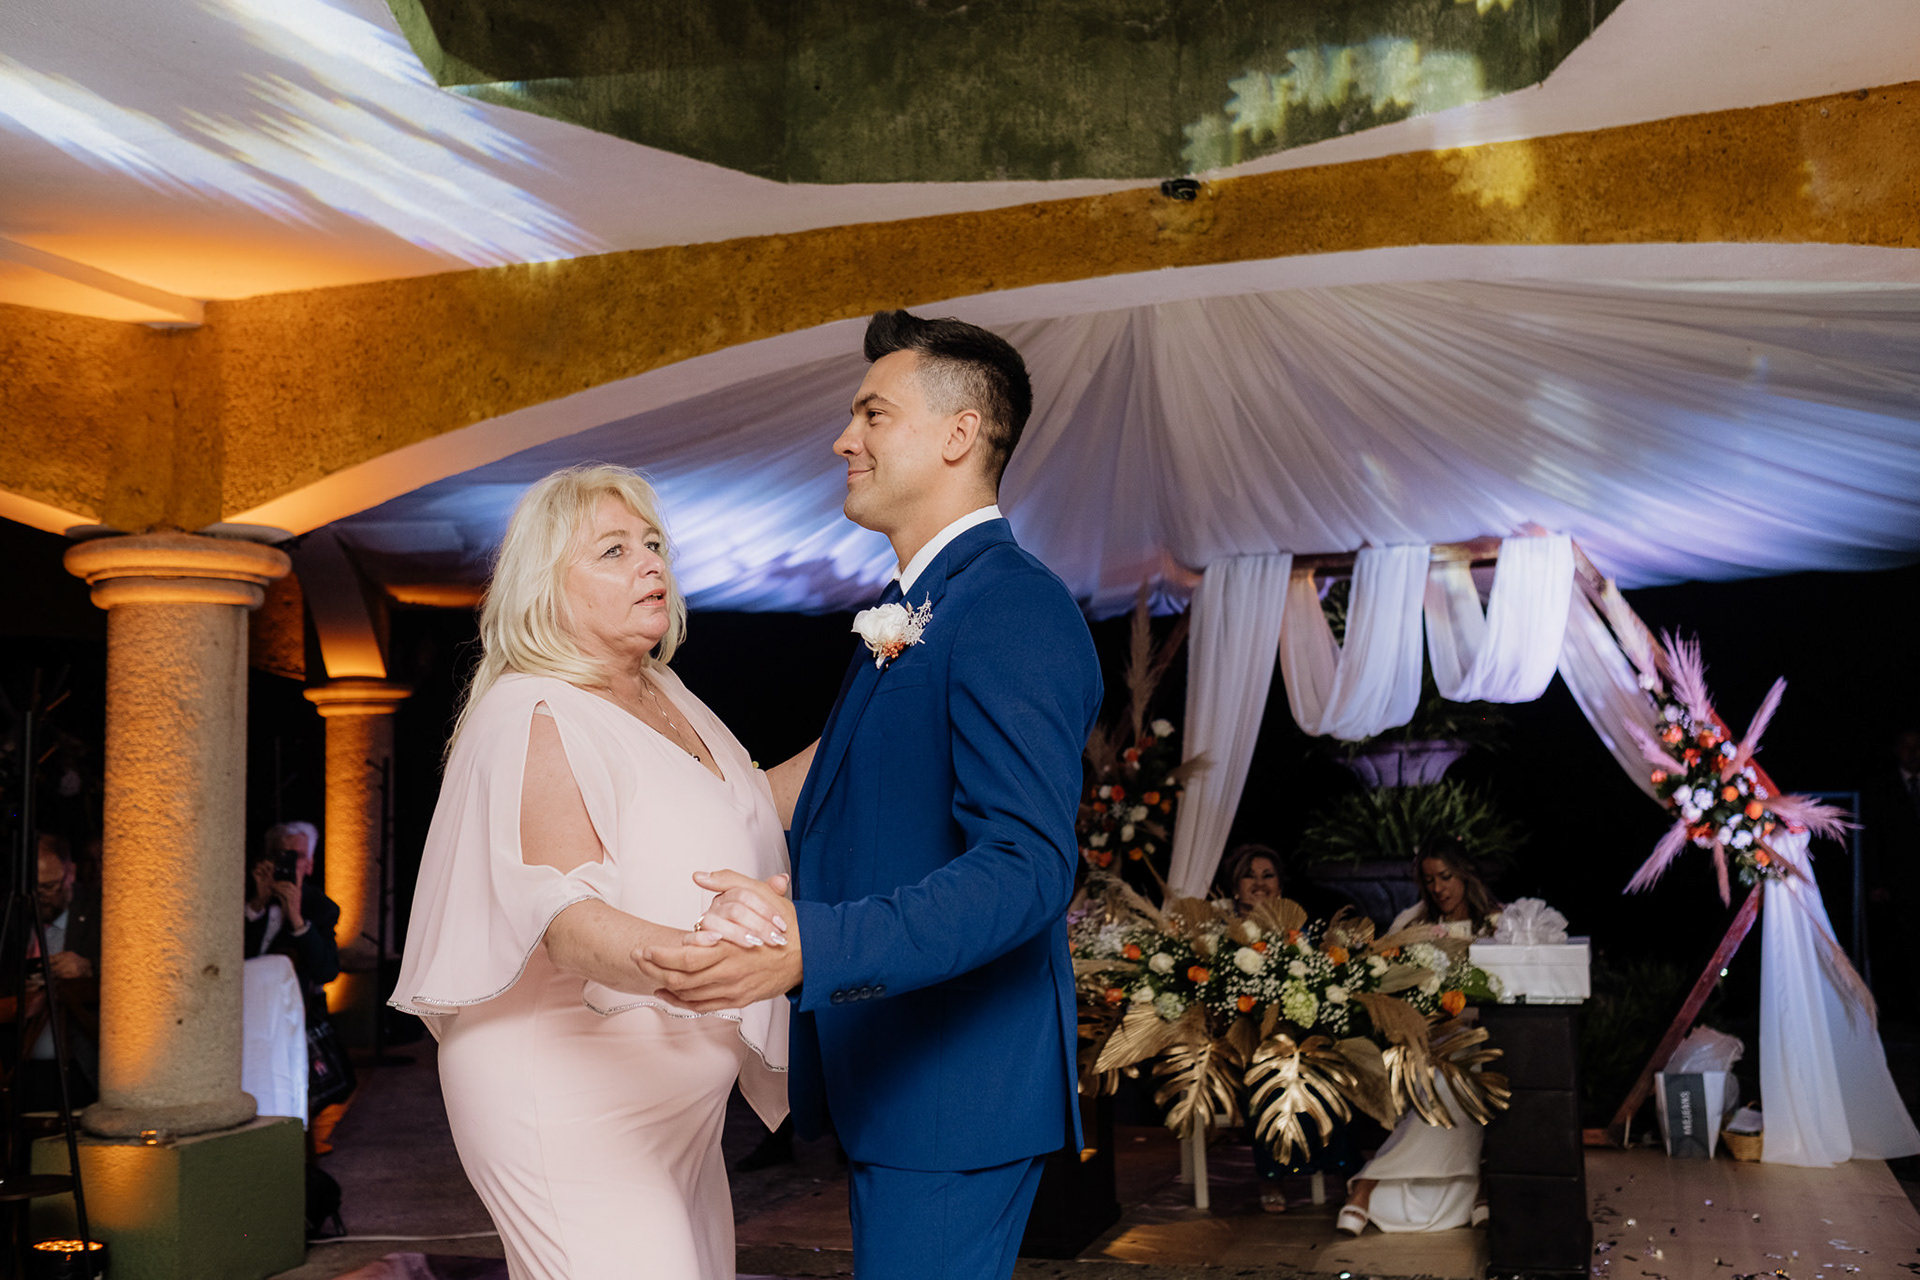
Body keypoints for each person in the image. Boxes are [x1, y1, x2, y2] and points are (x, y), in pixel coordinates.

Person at [640, 310, 1104, 1280]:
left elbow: (1026, 868)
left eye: (873, 413)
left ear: (959, 433)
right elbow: (852, 803)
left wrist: (820, 945)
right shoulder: (920, 607)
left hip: (953, 1086)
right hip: (903, 1078)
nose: (844, 439)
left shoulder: (1011, 604)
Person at [389, 464, 799, 1280]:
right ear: (546, 588)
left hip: (675, 1106)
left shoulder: (665, 692)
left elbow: (754, 805)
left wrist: (886, 713)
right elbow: (563, 917)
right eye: (614, 551)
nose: (650, 563)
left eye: (653, 544)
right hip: (570, 1097)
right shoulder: (535, 709)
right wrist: (686, 957)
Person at [1339, 838, 1502, 1236]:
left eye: (1445, 877)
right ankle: (1378, 1182)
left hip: (1487, 1033)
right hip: (1428, 1037)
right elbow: (1389, 985)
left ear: (1464, 873)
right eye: (1429, 880)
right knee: (1447, 1072)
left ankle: (1369, 1182)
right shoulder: (1413, 925)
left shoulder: (1496, 923)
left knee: (1464, 1068)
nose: (1438, 888)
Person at [1219, 844, 1359, 1213]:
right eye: (1249, 876)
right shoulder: (1223, 933)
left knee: (1325, 1064)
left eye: (1268, 876)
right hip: (1246, 1038)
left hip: (1298, 1032)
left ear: (1280, 886)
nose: (1259, 883)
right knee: (1266, 1070)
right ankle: (1272, 1176)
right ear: (1235, 887)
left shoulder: (1298, 932)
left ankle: (1340, 1166)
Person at [13, 834, 101, 1113]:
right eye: (35, 888)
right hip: (24, 1067)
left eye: (50, 887)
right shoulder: (16, 917)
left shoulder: (100, 912)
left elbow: (137, 971)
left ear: (70, 873)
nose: (42, 897)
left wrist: (88, 967)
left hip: (81, 1067)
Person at [245, 827, 342, 1002]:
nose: (289, 863)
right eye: (281, 855)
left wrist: (297, 921)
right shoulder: (245, 894)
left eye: (298, 856)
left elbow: (326, 972)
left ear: (309, 865)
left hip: (290, 1006)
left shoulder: (321, 907)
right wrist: (256, 905)